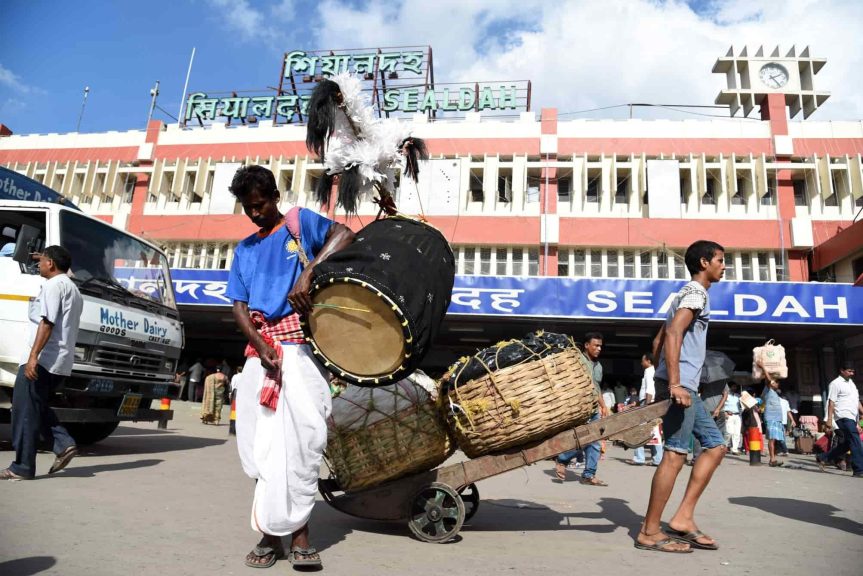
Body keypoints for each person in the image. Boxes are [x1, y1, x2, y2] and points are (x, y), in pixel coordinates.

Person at [227, 165, 354, 569]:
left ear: (275, 196)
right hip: (259, 356)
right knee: (261, 449)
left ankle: (299, 536)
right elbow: (239, 306)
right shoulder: (243, 249)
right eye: (248, 208)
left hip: (300, 351)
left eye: (260, 205)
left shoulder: (299, 224)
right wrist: (260, 344)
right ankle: (269, 534)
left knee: (300, 447)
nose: (254, 214)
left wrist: (310, 272)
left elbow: (345, 235)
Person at [635, 240, 726, 553]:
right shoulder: (696, 292)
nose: (723, 266)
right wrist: (673, 384)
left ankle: (683, 518)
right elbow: (672, 334)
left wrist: (663, 378)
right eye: (720, 260)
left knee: (715, 445)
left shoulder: (683, 294)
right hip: (682, 386)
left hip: (683, 385)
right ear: (704, 262)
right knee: (675, 453)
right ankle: (649, 531)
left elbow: (660, 338)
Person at [2, 246, 82, 481]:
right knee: (35, 407)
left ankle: (22, 467)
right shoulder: (73, 289)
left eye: (43, 261)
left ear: (52, 264)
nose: (39, 265)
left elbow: (47, 323)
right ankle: (64, 444)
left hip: (43, 359)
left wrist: (33, 357)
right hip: (60, 361)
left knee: (24, 411)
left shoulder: (53, 286)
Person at [555, 332, 610, 486]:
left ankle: (588, 475)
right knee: (584, 438)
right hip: (578, 407)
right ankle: (562, 458)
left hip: (593, 408)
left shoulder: (599, 366)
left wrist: (603, 405)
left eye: (600, 346)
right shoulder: (577, 360)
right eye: (596, 345)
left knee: (595, 441)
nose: (599, 348)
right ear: (586, 345)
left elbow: (596, 387)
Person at [815, 361, 862, 477]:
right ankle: (859, 469)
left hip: (851, 417)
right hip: (842, 416)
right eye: (849, 371)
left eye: (853, 371)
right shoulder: (835, 384)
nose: (852, 373)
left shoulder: (851, 384)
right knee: (856, 441)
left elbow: (856, 401)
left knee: (848, 444)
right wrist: (829, 419)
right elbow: (831, 401)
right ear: (842, 371)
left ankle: (823, 457)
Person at [631, 353, 664, 467]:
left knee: (639, 430)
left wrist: (647, 405)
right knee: (654, 431)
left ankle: (639, 458)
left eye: (642, 360)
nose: (641, 363)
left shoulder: (649, 371)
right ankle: (658, 459)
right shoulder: (655, 370)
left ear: (649, 361)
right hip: (650, 402)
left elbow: (649, 388)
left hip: (648, 402)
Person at [691, 380, 728, 465]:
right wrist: (718, 408)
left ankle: (697, 459)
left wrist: (717, 409)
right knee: (718, 435)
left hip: (706, 409)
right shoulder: (722, 380)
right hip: (715, 410)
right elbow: (725, 396)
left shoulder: (703, 380)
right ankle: (715, 459)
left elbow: (697, 392)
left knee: (699, 434)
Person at [759, 364, 785, 467]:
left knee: (775, 439)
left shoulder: (774, 393)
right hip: (771, 418)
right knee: (772, 439)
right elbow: (768, 380)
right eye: (775, 382)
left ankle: (773, 458)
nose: (776, 384)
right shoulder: (768, 389)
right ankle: (772, 459)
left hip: (777, 418)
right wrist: (763, 366)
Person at [722, 384, 743, 454]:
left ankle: (734, 449)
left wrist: (743, 397)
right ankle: (724, 446)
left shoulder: (739, 396)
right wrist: (725, 412)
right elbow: (722, 404)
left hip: (737, 415)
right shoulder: (726, 395)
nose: (735, 387)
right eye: (733, 386)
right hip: (729, 415)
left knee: (737, 433)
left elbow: (743, 406)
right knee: (729, 432)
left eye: (736, 386)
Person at [777, 390, 795, 456]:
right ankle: (780, 451)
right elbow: (788, 412)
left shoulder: (775, 401)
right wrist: (792, 420)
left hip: (777, 421)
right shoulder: (785, 402)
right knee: (781, 437)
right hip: (784, 421)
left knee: (780, 437)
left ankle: (785, 450)